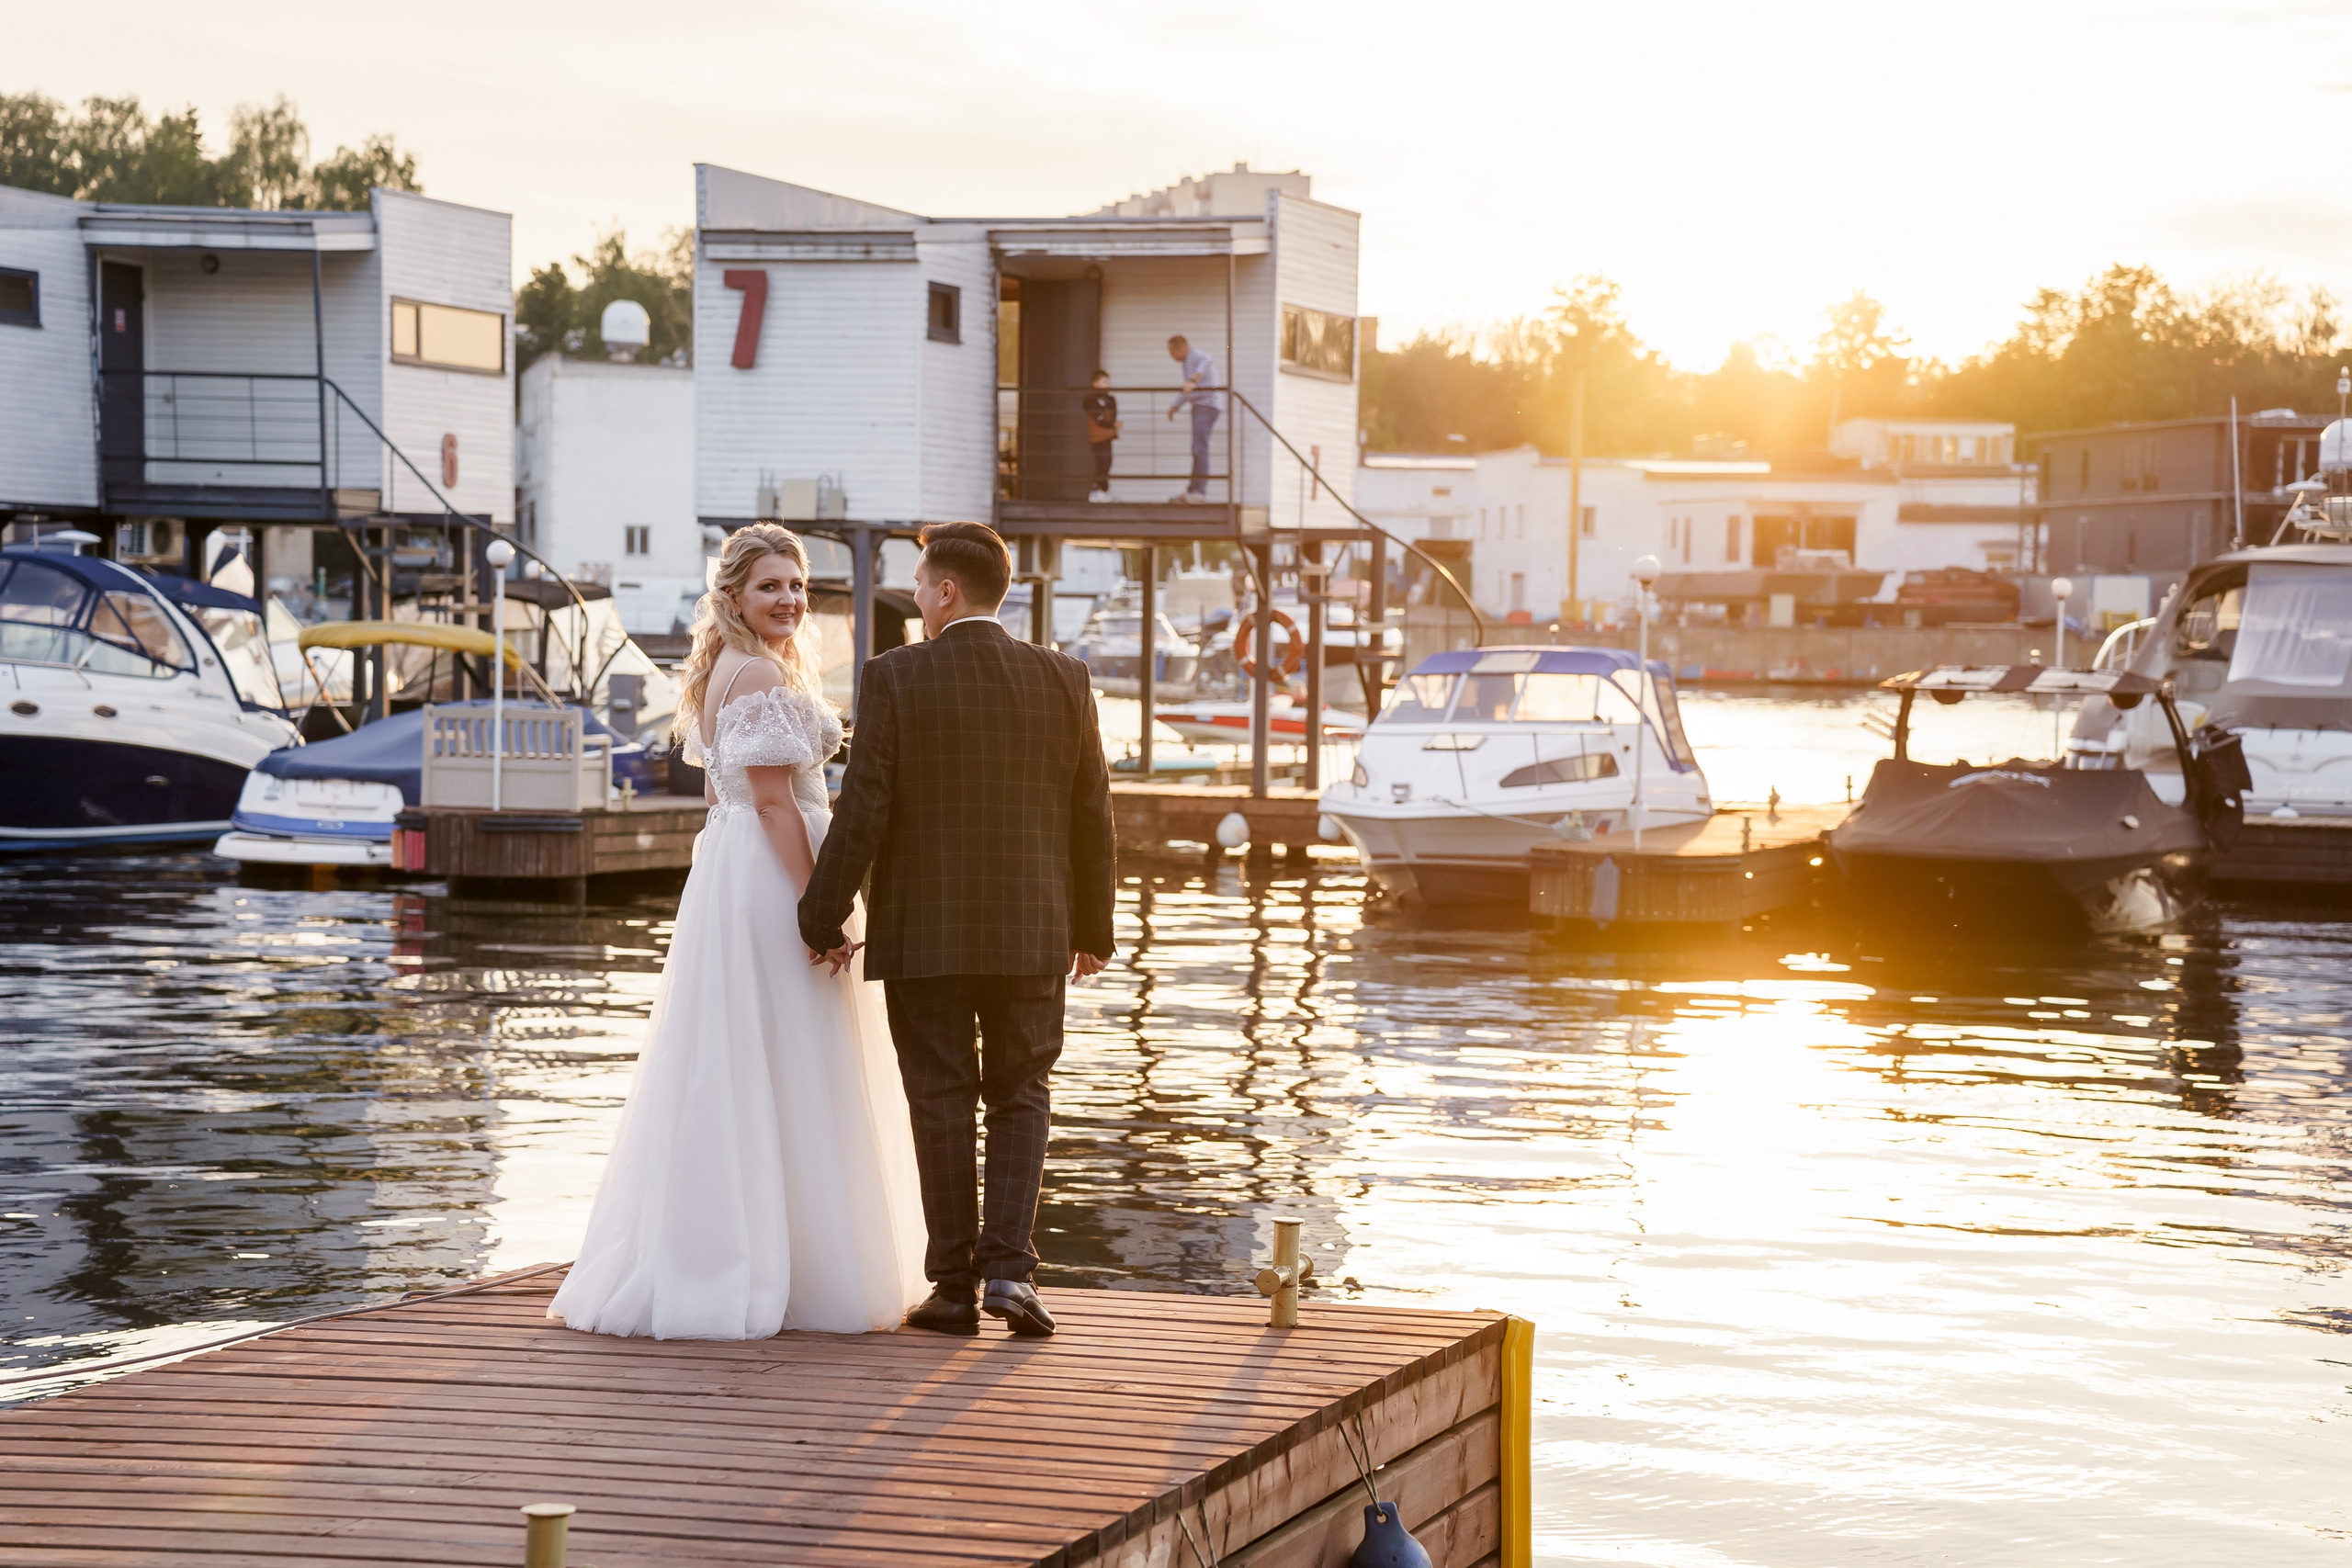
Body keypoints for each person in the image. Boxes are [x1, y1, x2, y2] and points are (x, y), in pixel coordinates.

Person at [549, 525, 928, 1340]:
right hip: (770, 873)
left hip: (734, 870)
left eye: (797, 585)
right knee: (792, 1054)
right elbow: (771, 801)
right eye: (771, 587)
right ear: (735, 597)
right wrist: (815, 907)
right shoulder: (756, 669)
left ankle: (763, 1249)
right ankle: (784, 1263)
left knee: (752, 1056)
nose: (790, 598)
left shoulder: (738, 664)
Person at [800, 521, 1116, 1338]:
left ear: (946, 591)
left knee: (940, 1098)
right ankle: (1010, 1272)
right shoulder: (1065, 677)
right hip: (1032, 929)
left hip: (925, 931)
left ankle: (951, 1289)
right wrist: (1093, 927)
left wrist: (821, 910)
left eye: (919, 580)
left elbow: (864, 807)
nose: (912, 593)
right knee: (1023, 1093)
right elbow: (1093, 816)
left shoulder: (894, 675)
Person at [1165, 334, 1221, 502]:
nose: (1171, 356)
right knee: (1197, 448)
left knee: (1200, 448)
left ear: (1178, 348)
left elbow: (1208, 360)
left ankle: (1199, 492)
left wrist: (1193, 379)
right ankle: (1192, 490)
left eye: (1171, 352)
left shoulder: (1195, 355)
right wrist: (1175, 406)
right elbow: (1187, 389)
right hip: (1199, 407)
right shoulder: (1186, 363)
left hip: (1207, 406)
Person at [1083, 369, 1120, 502]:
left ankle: (1102, 491)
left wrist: (1111, 423)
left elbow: (1113, 413)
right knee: (1102, 463)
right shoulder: (1090, 400)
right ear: (1095, 383)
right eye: (1104, 382)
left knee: (1108, 462)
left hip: (1107, 436)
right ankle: (1096, 491)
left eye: (1108, 382)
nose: (1107, 385)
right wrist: (1112, 424)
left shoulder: (1109, 399)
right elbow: (1099, 418)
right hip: (1097, 436)